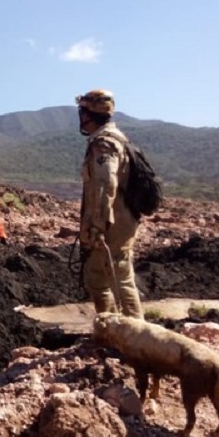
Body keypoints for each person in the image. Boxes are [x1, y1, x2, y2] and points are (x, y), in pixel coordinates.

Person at [76, 89, 143, 319]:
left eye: (82, 111)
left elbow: (105, 184)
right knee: (115, 276)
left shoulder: (104, 143)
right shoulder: (117, 138)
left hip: (111, 227)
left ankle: (124, 332)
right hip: (121, 222)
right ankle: (123, 330)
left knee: (109, 279)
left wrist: (98, 224)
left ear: (88, 115)